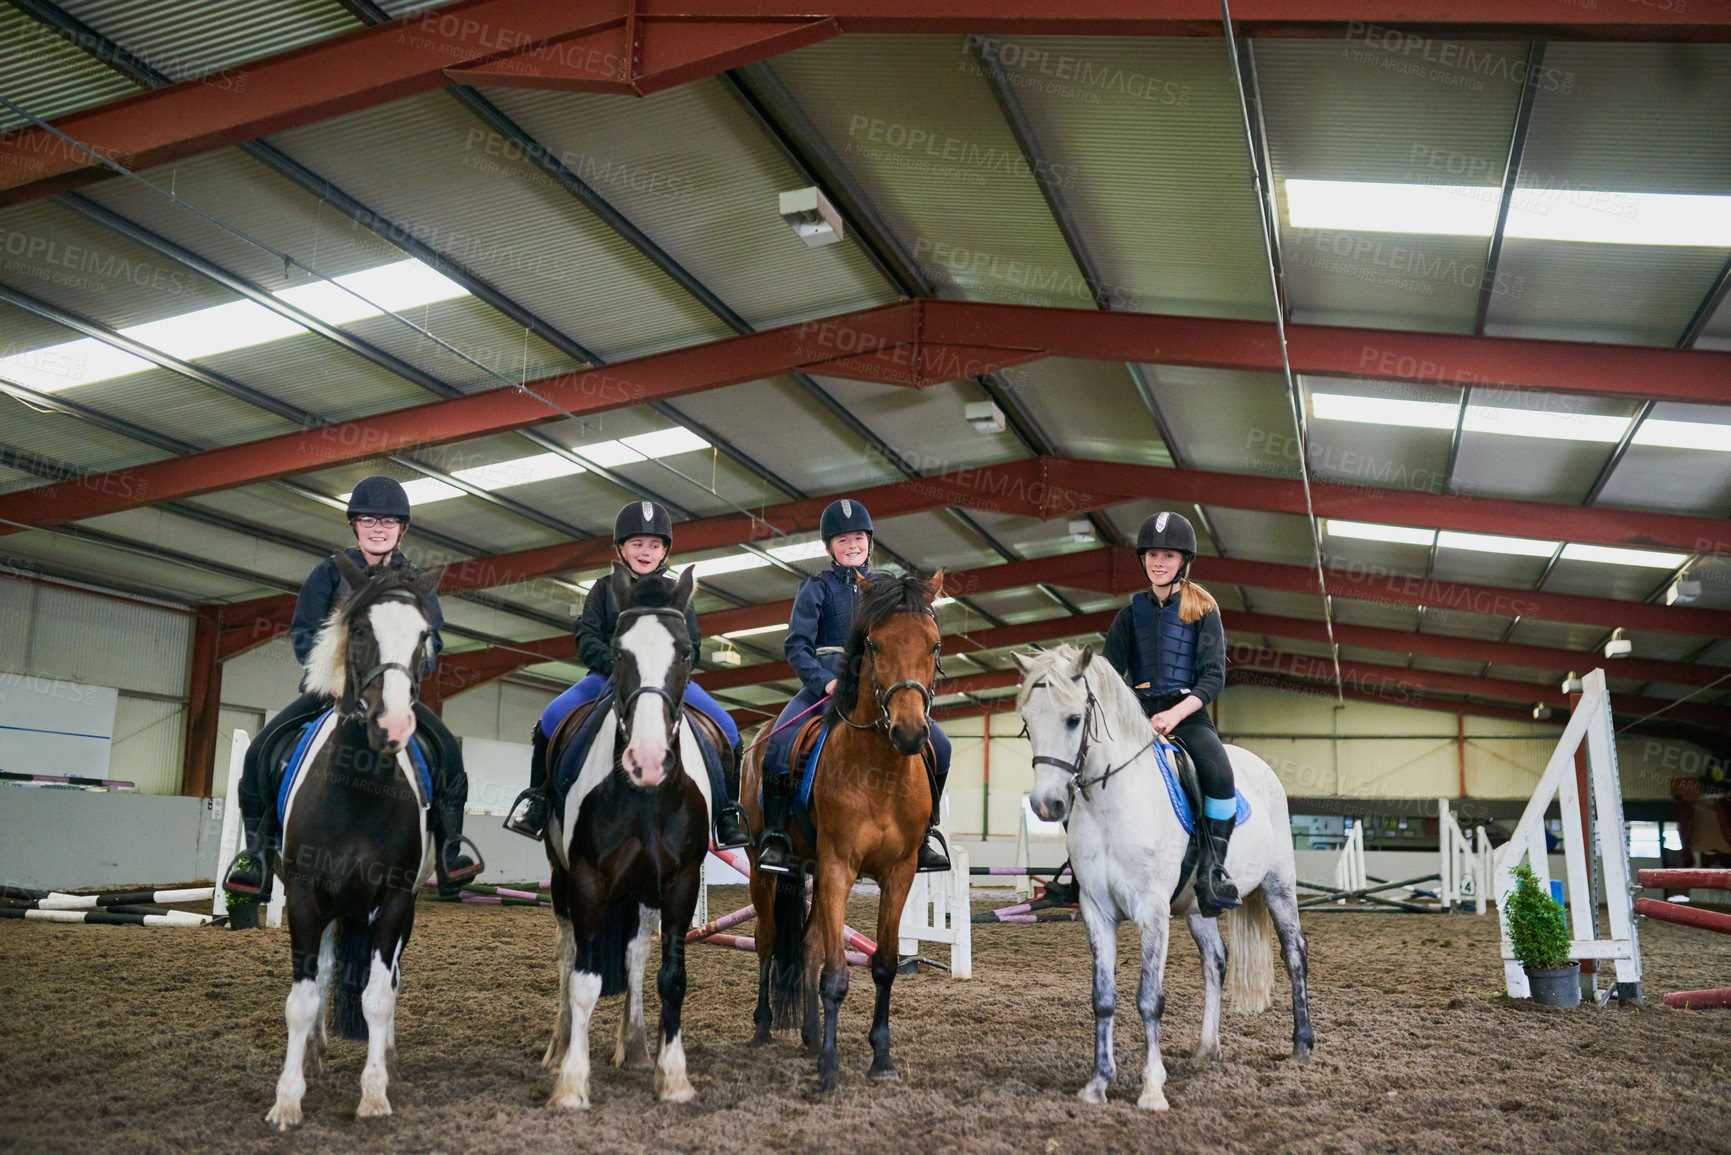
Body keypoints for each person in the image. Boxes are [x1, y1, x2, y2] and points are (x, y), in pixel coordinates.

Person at [223, 476, 480, 897]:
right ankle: (257, 854)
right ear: (354, 526)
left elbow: (431, 641)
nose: (378, 528)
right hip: (332, 690)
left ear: (402, 530)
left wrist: (409, 674)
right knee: (262, 750)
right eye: (368, 520)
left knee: (448, 752)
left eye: (388, 521)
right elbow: (304, 632)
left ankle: (451, 849)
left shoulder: (415, 581)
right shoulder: (328, 573)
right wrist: (335, 680)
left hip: (391, 691)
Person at [504, 500, 751, 848]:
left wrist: (668, 671)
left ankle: (727, 812)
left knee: (727, 727)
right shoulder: (604, 589)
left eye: (654, 545)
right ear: (621, 548)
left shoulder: (676, 593)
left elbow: (691, 644)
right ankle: (538, 800)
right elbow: (586, 635)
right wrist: (616, 665)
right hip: (607, 677)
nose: (645, 552)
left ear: (665, 550)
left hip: (664, 681)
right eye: (637, 544)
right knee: (550, 717)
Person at [755, 498, 951, 877]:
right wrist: (823, 682)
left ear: (869, 543)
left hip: (876, 684)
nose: (852, 546)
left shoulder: (885, 588)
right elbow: (796, 645)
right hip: (825, 681)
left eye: (858, 538)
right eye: (843, 540)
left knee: (939, 745)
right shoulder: (816, 588)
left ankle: (925, 834)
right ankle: (776, 834)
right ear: (830, 547)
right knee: (780, 743)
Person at [1101, 510, 1236, 916]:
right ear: (1143, 558)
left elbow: (1213, 677)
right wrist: (1130, 716)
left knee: (1219, 773)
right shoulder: (1129, 616)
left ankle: (1214, 869)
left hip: (1188, 716)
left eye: (1169, 556)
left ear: (1184, 562)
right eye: (1153, 555)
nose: (1159, 562)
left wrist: (1173, 716)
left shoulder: (1203, 610)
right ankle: (1085, 864)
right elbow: (1110, 676)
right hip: (1138, 717)